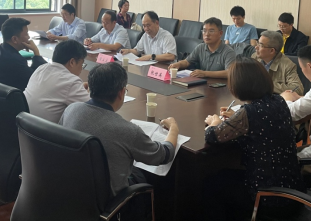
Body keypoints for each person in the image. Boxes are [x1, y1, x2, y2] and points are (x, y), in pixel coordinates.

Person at [203, 57, 306, 221]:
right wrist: (236, 118)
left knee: (211, 181)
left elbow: (212, 136)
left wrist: (214, 123)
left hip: (267, 196)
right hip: (292, 188)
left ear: (238, 86)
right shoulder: (279, 101)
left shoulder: (248, 112)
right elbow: (261, 124)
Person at [60, 62, 179, 196]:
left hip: (72, 188)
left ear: (89, 88)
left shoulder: (71, 110)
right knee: (143, 174)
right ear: (121, 93)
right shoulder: (127, 130)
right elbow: (164, 155)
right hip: (108, 198)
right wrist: (173, 128)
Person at [25, 40, 90, 123]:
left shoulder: (41, 68)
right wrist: (90, 90)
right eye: (81, 64)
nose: (81, 68)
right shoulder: (71, 81)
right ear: (72, 62)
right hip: (44, 130)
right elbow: (91, 108)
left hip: (23, 124)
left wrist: (79, 87)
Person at [169, 17, 235, 79]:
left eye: (211, 31)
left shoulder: (228, 52)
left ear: (220, 33)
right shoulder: (200, 47)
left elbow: (230, 73)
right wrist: (178, 64)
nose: (207, 34)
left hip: (219, 85)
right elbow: (187, 62)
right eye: (204, 31)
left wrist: (205, 73)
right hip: (202, 83)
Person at [251, 31, 303, 95]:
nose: (256, 47)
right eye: (257, 43)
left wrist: (266, 85)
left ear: (272, 51)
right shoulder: (255, 57)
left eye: (261, 45)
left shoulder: (287, 65)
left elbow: (298, 89)